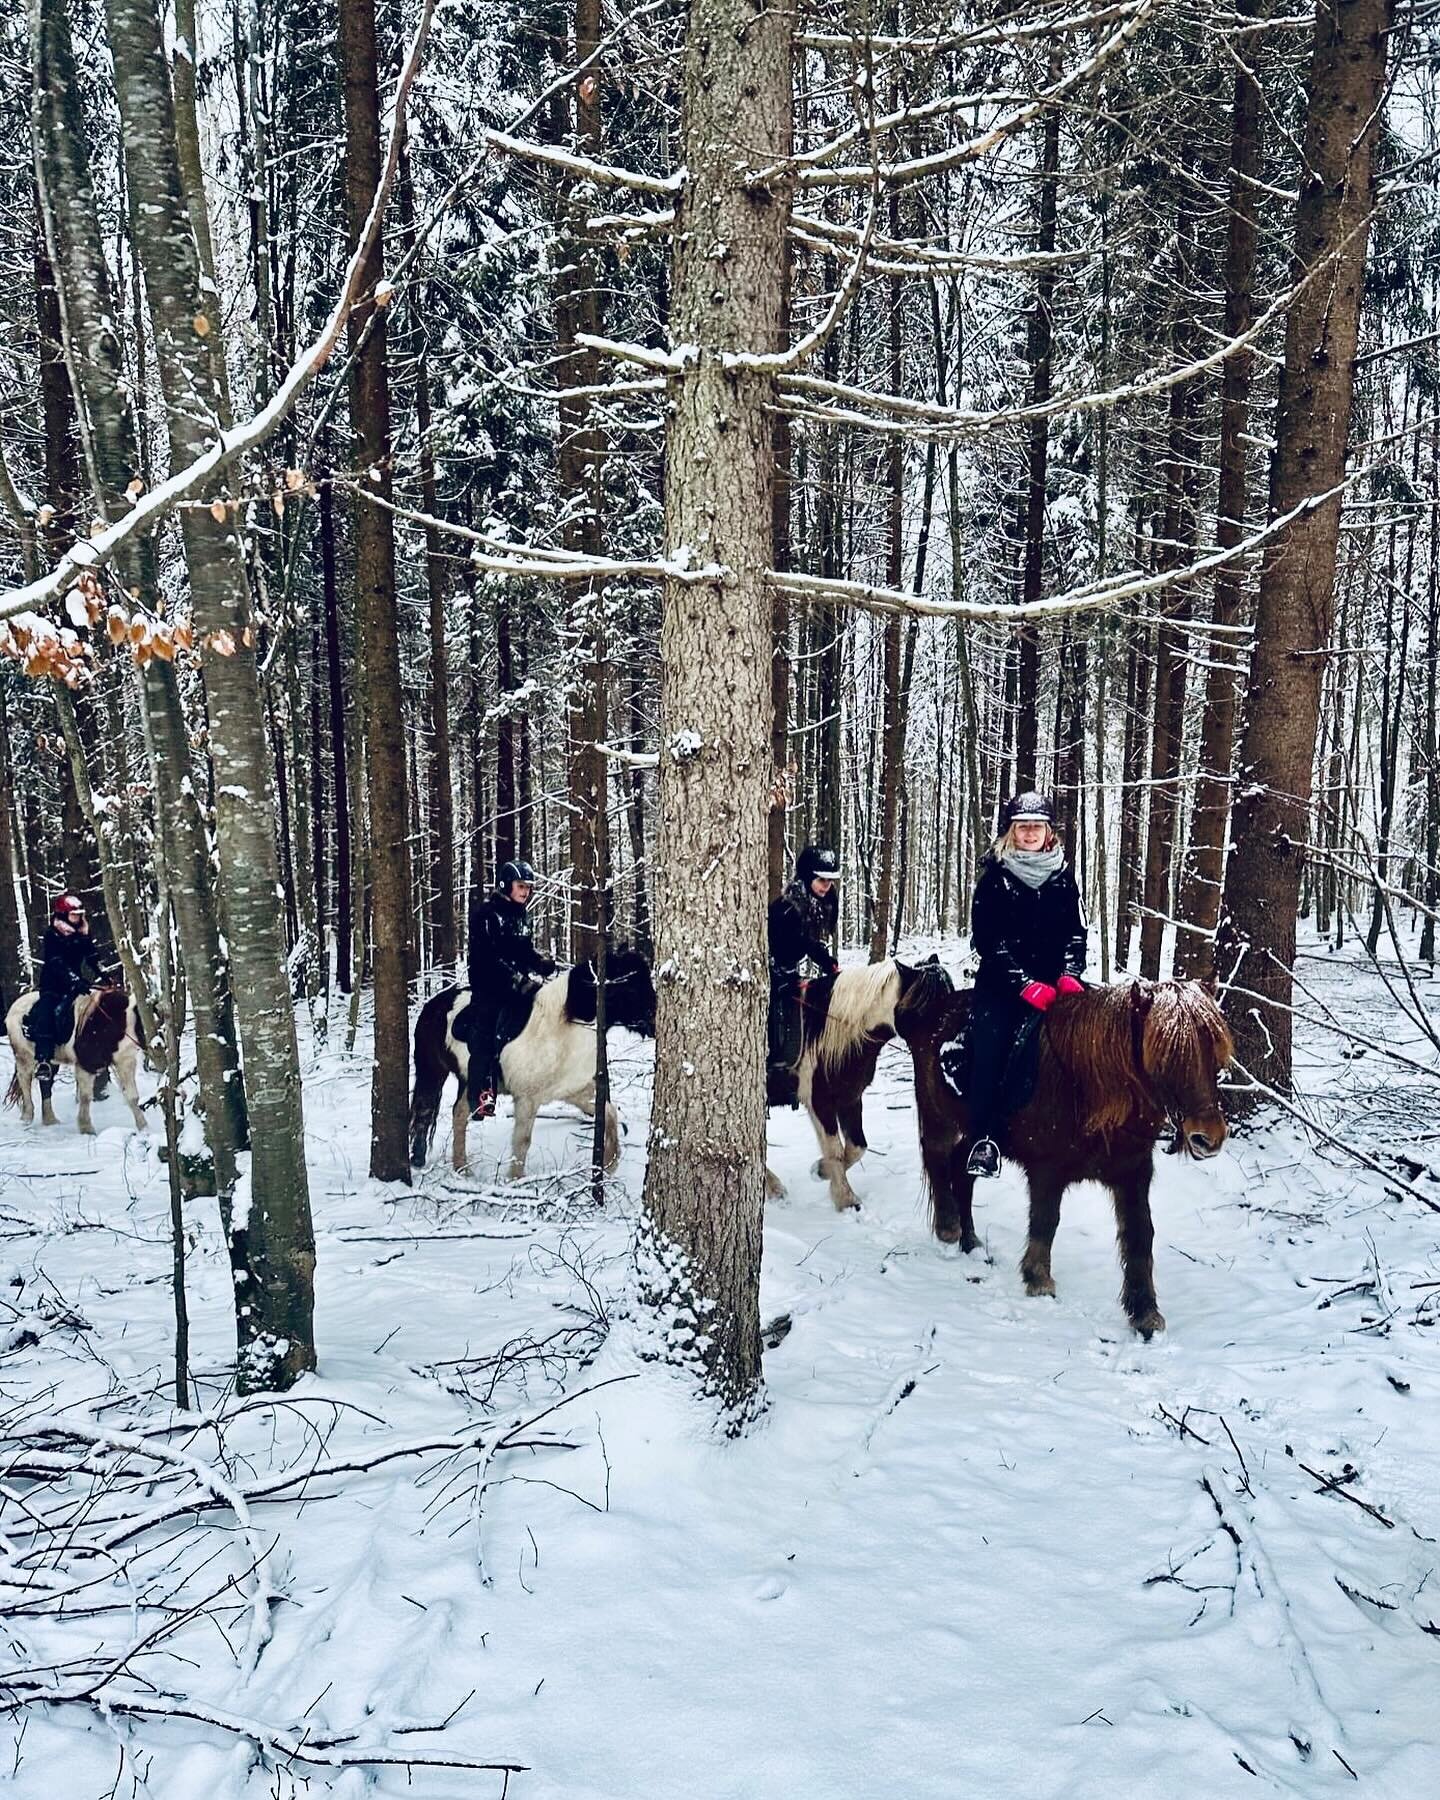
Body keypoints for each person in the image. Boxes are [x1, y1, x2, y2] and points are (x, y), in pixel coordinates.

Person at [952, 792, 1086, 1179]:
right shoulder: (995, 878)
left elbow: (1075, 933)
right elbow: (987, 941)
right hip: (1003, 986)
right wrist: (1024, 985)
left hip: (1057, 985)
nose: (1029, 833)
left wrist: (1070, 974)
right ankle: (984, 1138)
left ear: (1048, 832)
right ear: (1012, 831)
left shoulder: (1063, 876)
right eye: (1022, 826)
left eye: (1036, 826)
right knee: (991, 1049)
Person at [464, 859, 556, 1118]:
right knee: (486, 1033)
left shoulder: (522, 915)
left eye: (528, 887)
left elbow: (522, 951)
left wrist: (539, 963)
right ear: (506, 885)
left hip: (516, 984)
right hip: (488, 986)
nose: (525, 891)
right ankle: (480, 1096)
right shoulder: (486, 914)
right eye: (520, 886)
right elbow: (487, 957)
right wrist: (515, 979)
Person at [767, 844, 842, 1103]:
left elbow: (808, 943)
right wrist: (779, 978)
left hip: (788, 969)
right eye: (821, 880)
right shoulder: (788, 909)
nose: (826, 886)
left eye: (830, 881)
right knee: (775, 1019)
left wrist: (829, 964)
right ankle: (774, 1076)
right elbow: (796, 943)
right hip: (770, 968)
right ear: (808, 877)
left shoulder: (818, 904)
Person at [28, 893, 104, 1077]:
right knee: (48, 1012)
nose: (77, 918)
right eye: (74, 914)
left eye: (79, 914)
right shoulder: (52, 934)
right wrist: (75, 980)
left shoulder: (82, 933)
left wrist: (105, 975)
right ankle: (44, 1059)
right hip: (53, 985)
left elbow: (92, 957)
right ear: (63, 914)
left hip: (75, 985)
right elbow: (56, 962)